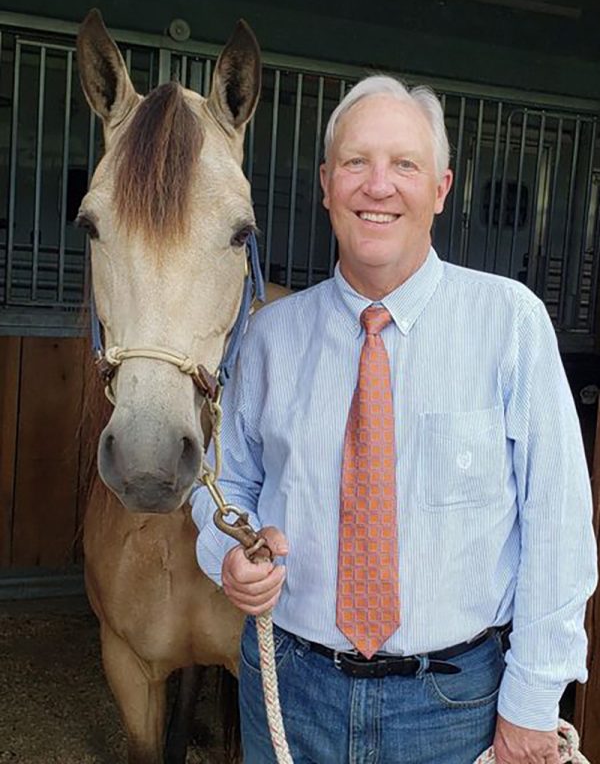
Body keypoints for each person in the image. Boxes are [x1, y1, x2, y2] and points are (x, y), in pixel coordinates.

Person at [190, 75, 597, 764]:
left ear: (440, 189)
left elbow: (557, 525)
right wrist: (226, 555)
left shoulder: (510, 324)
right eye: (356, 162)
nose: (378, 186)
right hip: (289, 685)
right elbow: (224, 485)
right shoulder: (268, 338)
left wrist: (532, 703)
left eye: (404, 164)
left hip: (454, 704)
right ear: (327, 185)